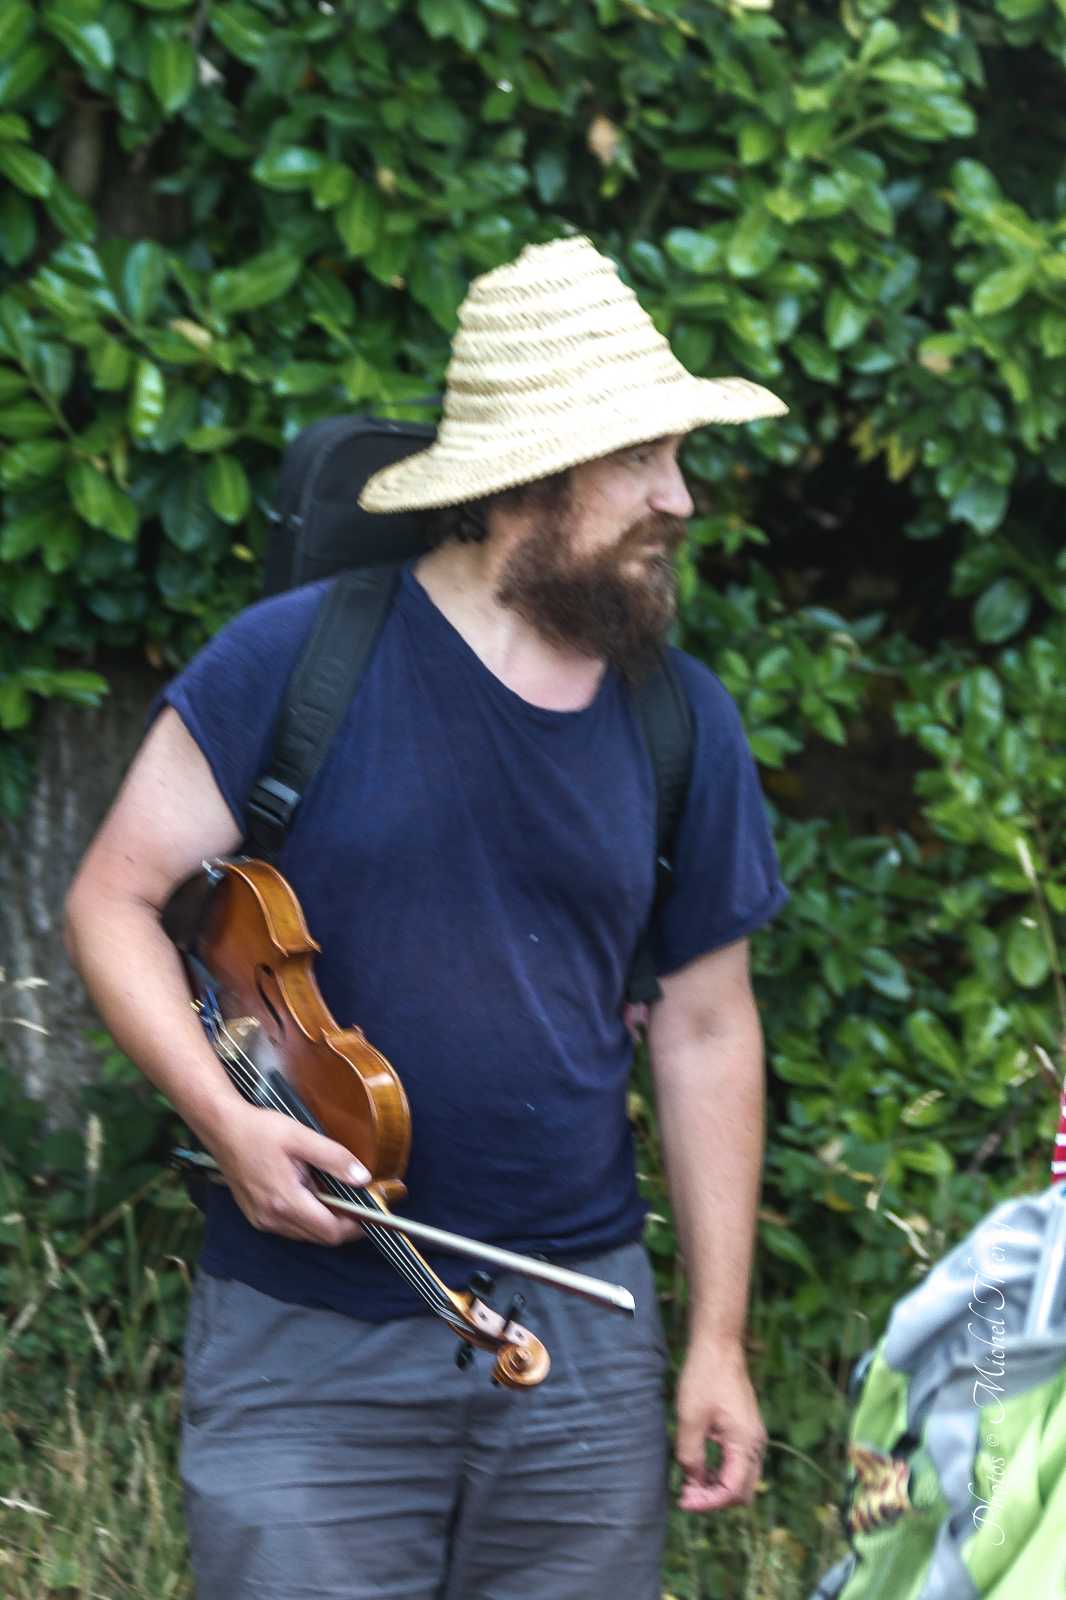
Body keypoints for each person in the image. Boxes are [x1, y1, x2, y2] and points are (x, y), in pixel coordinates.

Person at [64, 234, 789, 1600]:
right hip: (305, 1345)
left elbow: (705, 1030)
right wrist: (227, 1123)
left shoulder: (682, 721)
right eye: (642, 459)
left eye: (678, 458)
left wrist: (717, 1341)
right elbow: (113, 900)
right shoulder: (296, 662)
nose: (678, 498)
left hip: (578, 1345)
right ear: (530, 477)